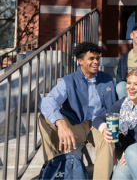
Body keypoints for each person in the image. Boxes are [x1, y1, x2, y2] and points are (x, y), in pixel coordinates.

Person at [38, 42, 117, 180]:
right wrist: (61, 123)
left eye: (97, 58)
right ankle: (55, 168)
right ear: (80, 61)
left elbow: (116, 104)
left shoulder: (107, 79)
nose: (96, 62)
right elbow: (46, 102)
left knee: (108, 139)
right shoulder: (68, 81)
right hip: (76, 124)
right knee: (44, 118)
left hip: (98, 124)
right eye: (91, 59)